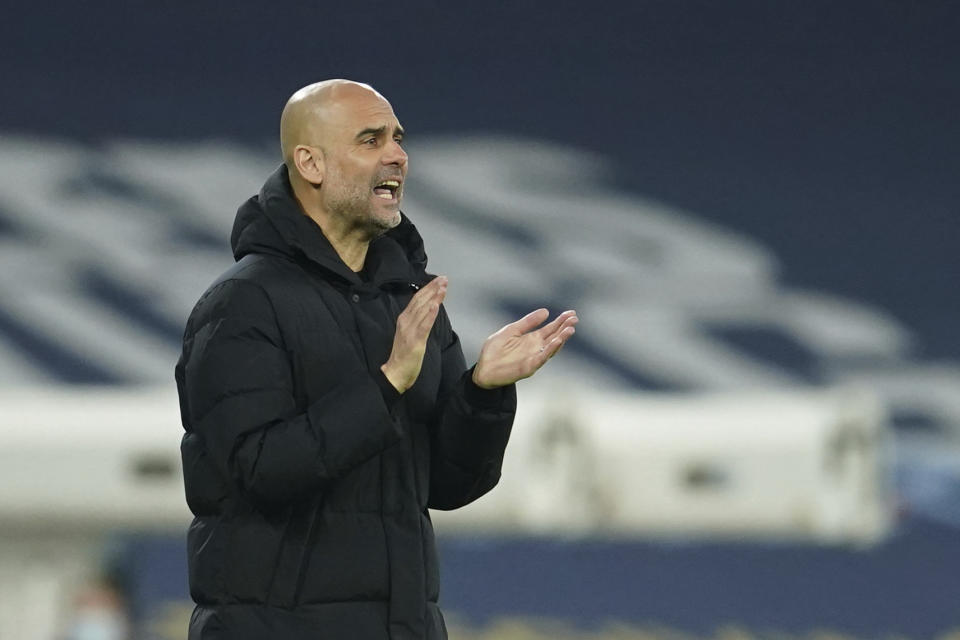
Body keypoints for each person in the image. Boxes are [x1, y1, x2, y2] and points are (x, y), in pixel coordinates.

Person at [175, 79, 578, 640]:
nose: (397, 155)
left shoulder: (408, 300)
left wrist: (483, 392)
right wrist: (387, 384)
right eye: (370, 140)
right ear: (310, 163)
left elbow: (447, 486)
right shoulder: (243, 304)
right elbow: (259, 470)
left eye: (398, 138)